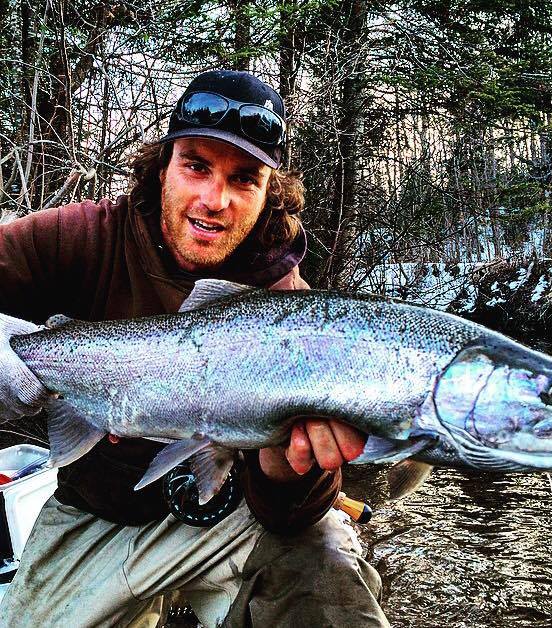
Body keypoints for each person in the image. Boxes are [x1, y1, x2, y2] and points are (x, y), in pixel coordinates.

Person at [0, 70, 389, 626]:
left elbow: (289, 515)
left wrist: (287, 464)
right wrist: (8, 349)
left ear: (268, 191)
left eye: (244, 178)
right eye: (197, 167)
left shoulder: (292, 307)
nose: (215, 200)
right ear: (163, 166)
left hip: (231, 519)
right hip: (97, 513)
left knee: (325, 560)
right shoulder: (83, 238)